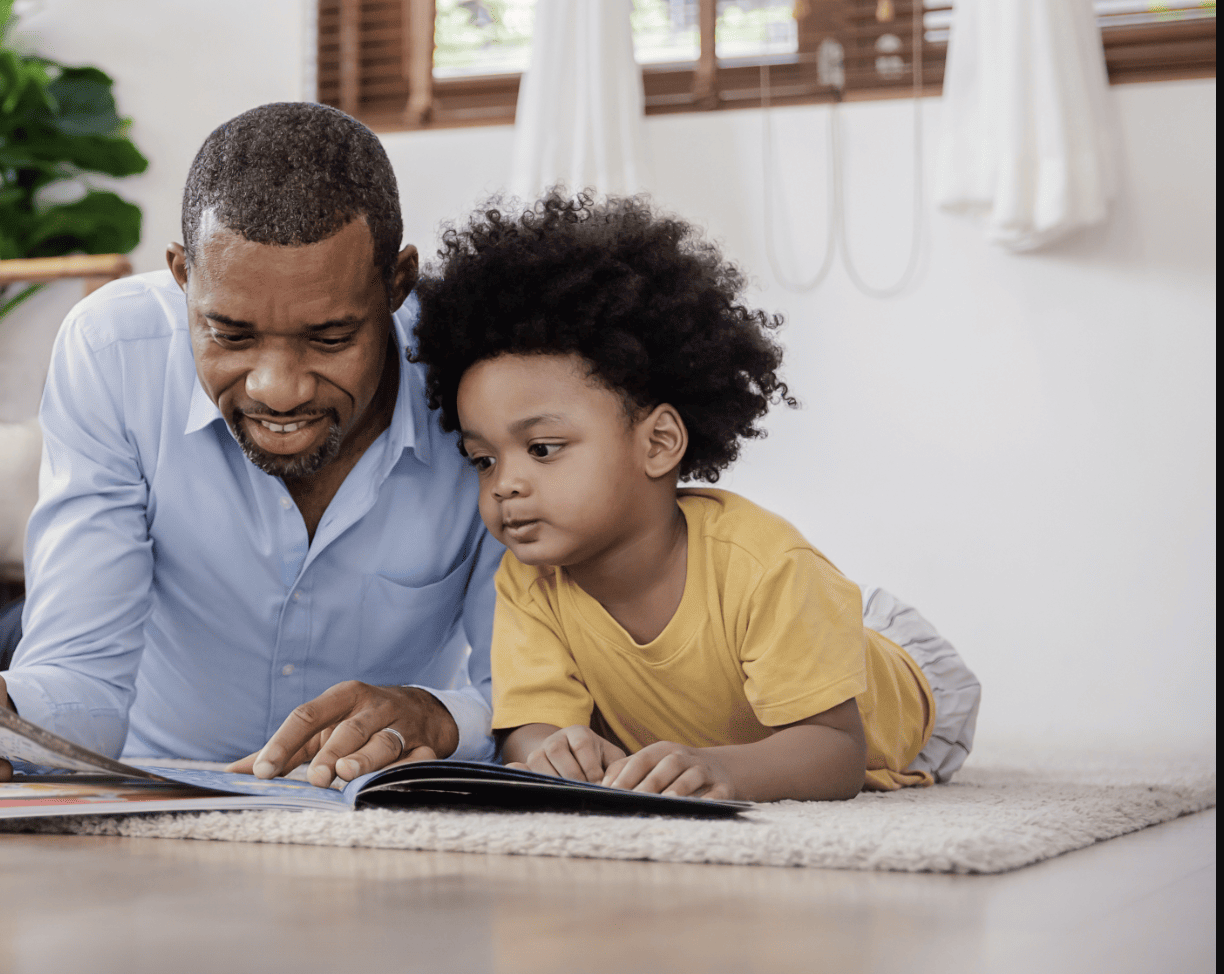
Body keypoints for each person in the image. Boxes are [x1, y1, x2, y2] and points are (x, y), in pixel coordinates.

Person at [0, 102, 505, 788]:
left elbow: (531, 699)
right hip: (144, 725)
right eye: (231, 335)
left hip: (353, 785)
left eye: (329, 339)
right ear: (182, 277)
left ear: (396, 286)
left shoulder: (484, 378)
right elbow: (80, 674)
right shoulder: (115, 351)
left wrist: (438, 715)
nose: (278, 389)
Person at [413, 190, 982, 801]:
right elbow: (531, 728)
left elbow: (837, 753)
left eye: (544, 449)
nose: (506, 483)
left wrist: (728, 772)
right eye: (483, 459)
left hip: (904, 681)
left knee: (837, 646)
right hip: (776, 644)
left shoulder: (766, 567)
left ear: (658, 442)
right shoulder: (530, 583)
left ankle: (861, 625)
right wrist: (553, 749)